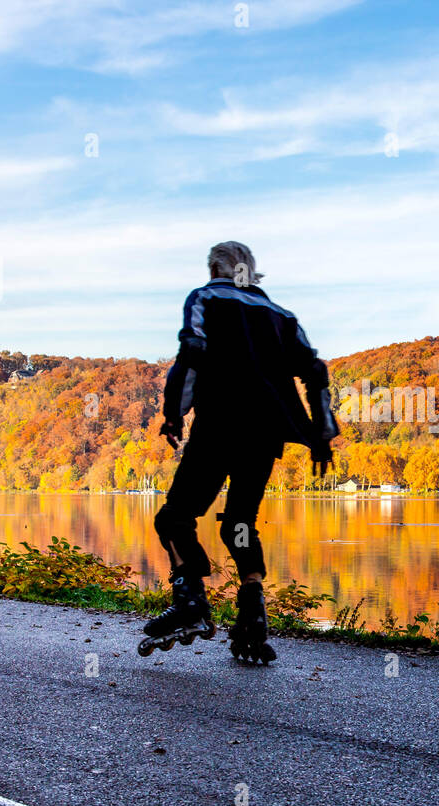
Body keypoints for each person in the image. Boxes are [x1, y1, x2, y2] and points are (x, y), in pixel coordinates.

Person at [143, 241, 337, 663]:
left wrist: (174, 415)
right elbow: (315, 371)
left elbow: (191, 353)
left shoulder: (205, 298)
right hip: (265, 433)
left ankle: (190, 598)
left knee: (175, 517)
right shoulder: (283, 316)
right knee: (239, 523)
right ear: (252, 271)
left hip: (220, 425)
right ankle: (253, 617)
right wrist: (322, 436)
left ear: (215, 266)